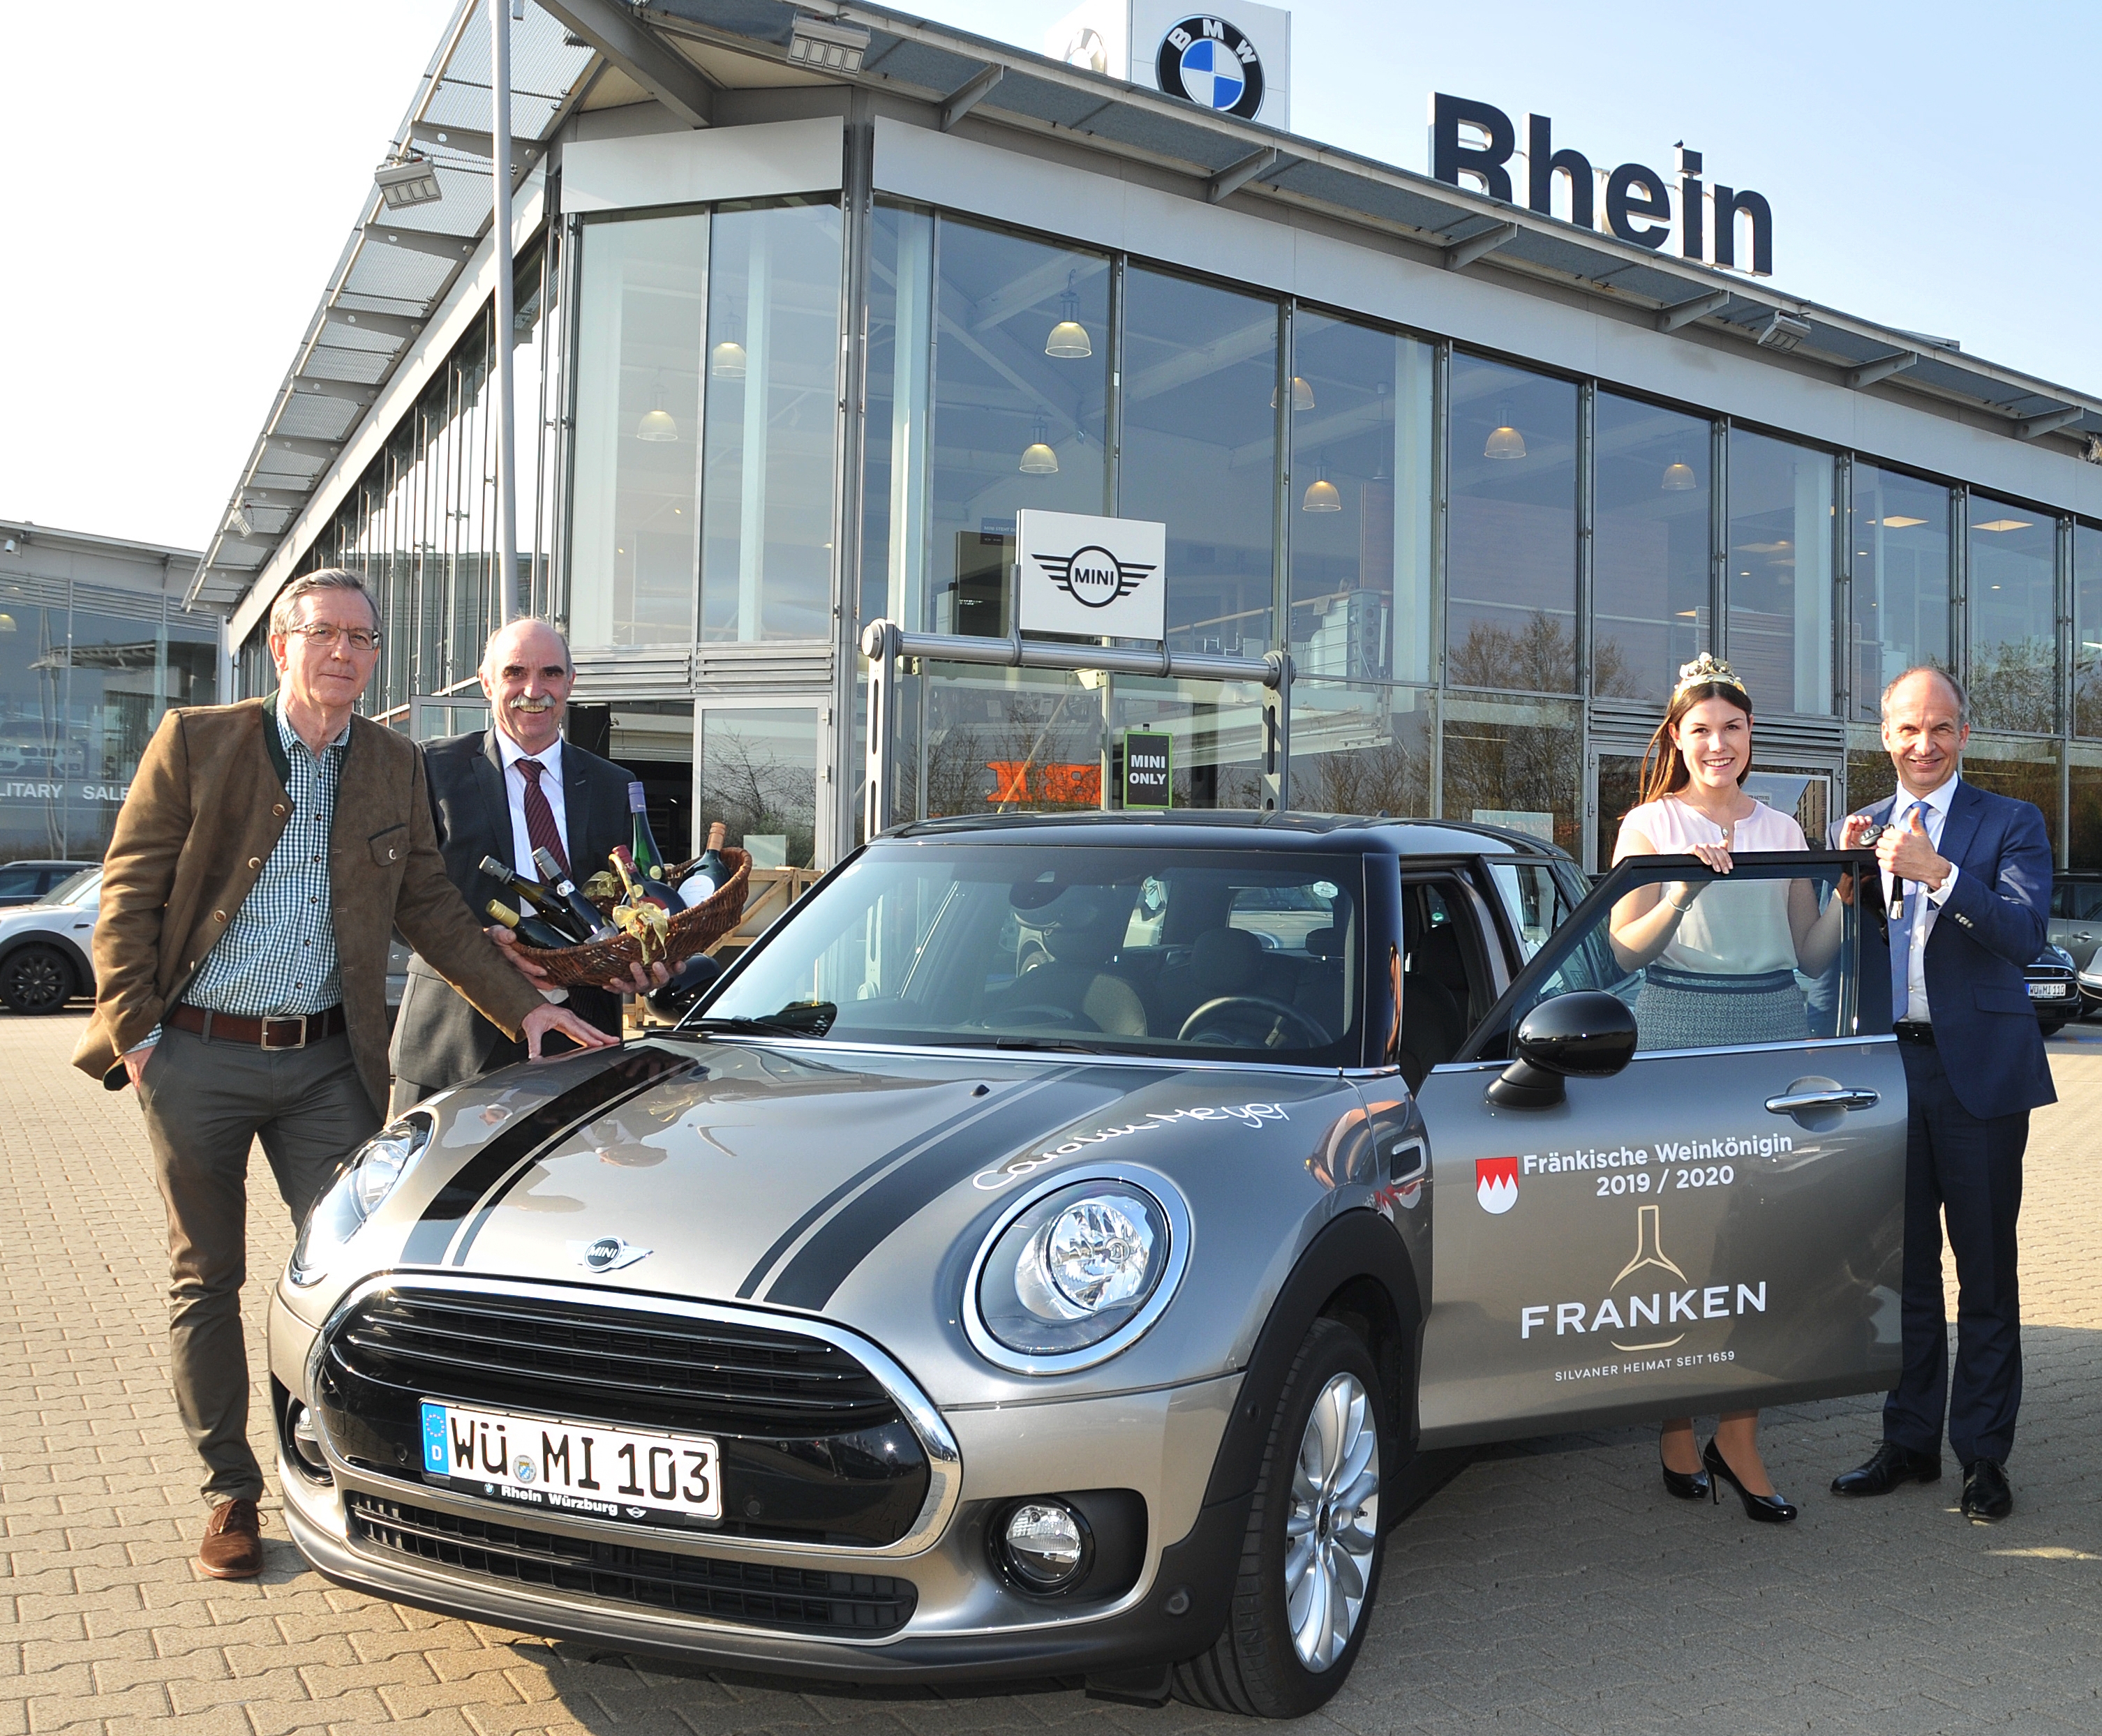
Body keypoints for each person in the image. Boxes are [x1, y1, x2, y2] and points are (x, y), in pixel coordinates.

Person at [72, 569, 615, 1581]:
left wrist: (528, 1008)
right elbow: (129, 890)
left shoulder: (393, 763)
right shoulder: (198, 741)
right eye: (323, 633)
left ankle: (352, 1465)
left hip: (330, 1061)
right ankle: (230, 1490)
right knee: (208, 1275)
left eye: (361, 638)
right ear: (282, 647)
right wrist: (137, 1033)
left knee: (357, 1269)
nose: (343, 653)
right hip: (196, 1055)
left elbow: (432, 908)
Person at [1607, 652, 1843, 1525]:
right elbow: (1621, 951)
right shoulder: (1649, 824)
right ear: (1677, 736)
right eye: (1701, 729)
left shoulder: (1781, 832)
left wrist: (1846, 901)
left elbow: (1810, 952)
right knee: (1679, 1232)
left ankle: (1738, 1435)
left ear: (1751, 736)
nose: (1718, 744)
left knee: (1760, 1232)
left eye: (1733, 728)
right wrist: (1678, 890)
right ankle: (1677, 1423)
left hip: (1770, 1028)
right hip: (1676, 1030)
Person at [1830, 666, 2052, 1523]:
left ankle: (1984, 1455)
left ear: (1964, 732)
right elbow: (1835, 957)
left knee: (1986, 1271)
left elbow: (2023, 934)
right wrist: (1846, 885)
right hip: (1891, 1074)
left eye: (1941, 727)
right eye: (1908, 728)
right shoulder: (1863, 826)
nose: (1924, 744)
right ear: (1884, 734)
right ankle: (1911, 1441)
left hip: (1982, 1077)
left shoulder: (2012, 821)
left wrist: (1940, 873)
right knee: (1906, 1271)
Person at [387, 617, 667, 1114]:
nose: (533, 691)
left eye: (550, 673)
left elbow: (633, 900)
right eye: (515, 673)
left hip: (582, 1039)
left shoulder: (614, 786)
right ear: (486, 682)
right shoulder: (426, 770)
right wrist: (481, 949)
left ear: (570, 683)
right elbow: (395, 897)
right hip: (454, 1040)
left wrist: (642, 960)